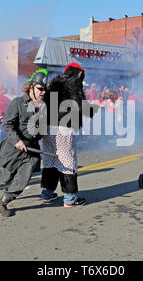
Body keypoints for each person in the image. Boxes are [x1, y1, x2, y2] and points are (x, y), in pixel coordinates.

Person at [0, 69, 48, 217]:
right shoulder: (18, 103)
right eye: (40, 88)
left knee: (23, 179)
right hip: (14, 148)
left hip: (31, 150)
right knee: (6, 176)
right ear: (31, 87)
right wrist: (17, 140)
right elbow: (8, 124)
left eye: (45, 89)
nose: (43, 92)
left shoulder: (43, 107)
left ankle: (3, 202)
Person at [40, 63, 100, 207]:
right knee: (67, 161)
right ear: (78, 74)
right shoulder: (73, 84)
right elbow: (79, 106)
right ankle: (70, 198)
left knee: (50, 160)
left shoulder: (54, 83)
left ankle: (47, 194)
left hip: (47, 127)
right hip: (63, 128)